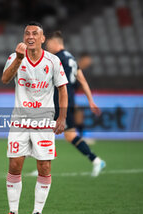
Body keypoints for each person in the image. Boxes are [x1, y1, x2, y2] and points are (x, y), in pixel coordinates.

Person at [1, 22, 68, 214]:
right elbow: (5, 79)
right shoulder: (14, 57)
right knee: (14, 164)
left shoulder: (53, 61)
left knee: (45, 167)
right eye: (27, 33)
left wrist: (62, 118)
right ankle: (13, 212)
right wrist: (19, 59)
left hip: (44, 121)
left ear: (42, 38)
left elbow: (62, 90)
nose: (30, 37)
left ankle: (37, 213)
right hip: (20, 120)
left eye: (34, 34)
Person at [46, 31, 106, 177]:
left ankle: (96, 160)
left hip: (60, 102)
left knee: (59, 134)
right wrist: (91, 101)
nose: (47, 48)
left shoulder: (56, 58)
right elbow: (83, 81)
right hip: (68, 101)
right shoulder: (71, 59)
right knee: (59, 134)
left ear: (55, 43)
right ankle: (96, 161)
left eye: (48, 45)